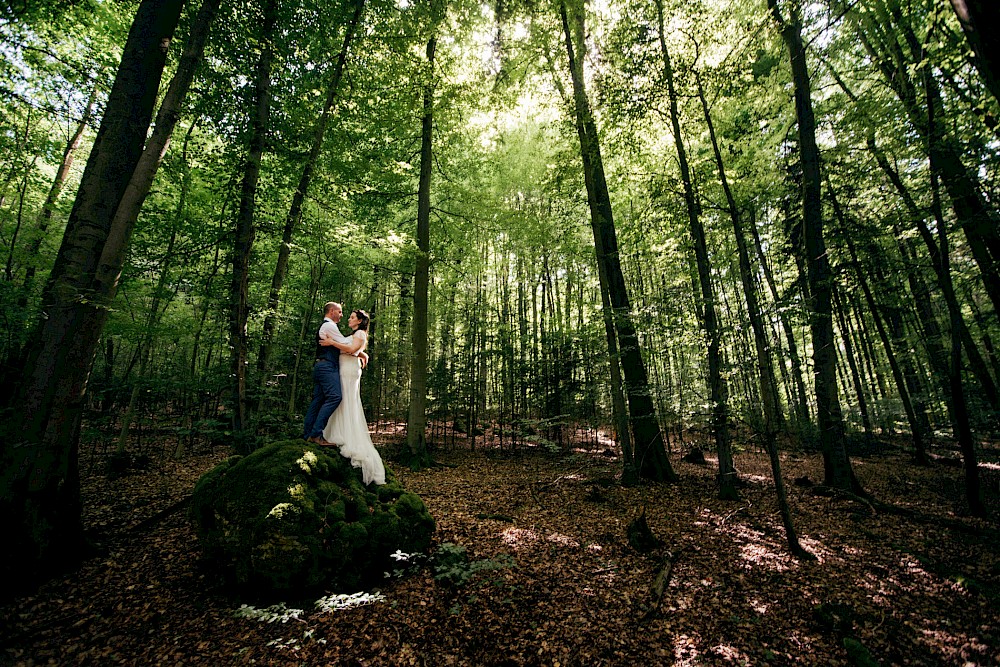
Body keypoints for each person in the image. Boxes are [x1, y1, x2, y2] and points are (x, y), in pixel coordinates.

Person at [321, 309, 385, 485]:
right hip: (345, 368)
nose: (348, 319)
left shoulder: (360, 334)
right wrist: (361, 353)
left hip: (349, 371)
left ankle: (348, 437)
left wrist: (331, 342)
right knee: (342, 400)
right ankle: (337, 432)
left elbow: (351, 348)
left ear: (359, 321)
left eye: (352, 317)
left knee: (347, 400)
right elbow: (353, 350)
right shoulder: (356, 333)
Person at [302, 302, 349, 445]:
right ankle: (316, 434)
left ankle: (308, 435)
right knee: (335, 396)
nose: (341, 315)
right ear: (332, 311)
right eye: (339, 312)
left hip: (321, 366)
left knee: (318, 401)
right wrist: (359, 340)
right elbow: (346, 344)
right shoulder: (329, 326)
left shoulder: (328, 326)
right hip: (327, 366)